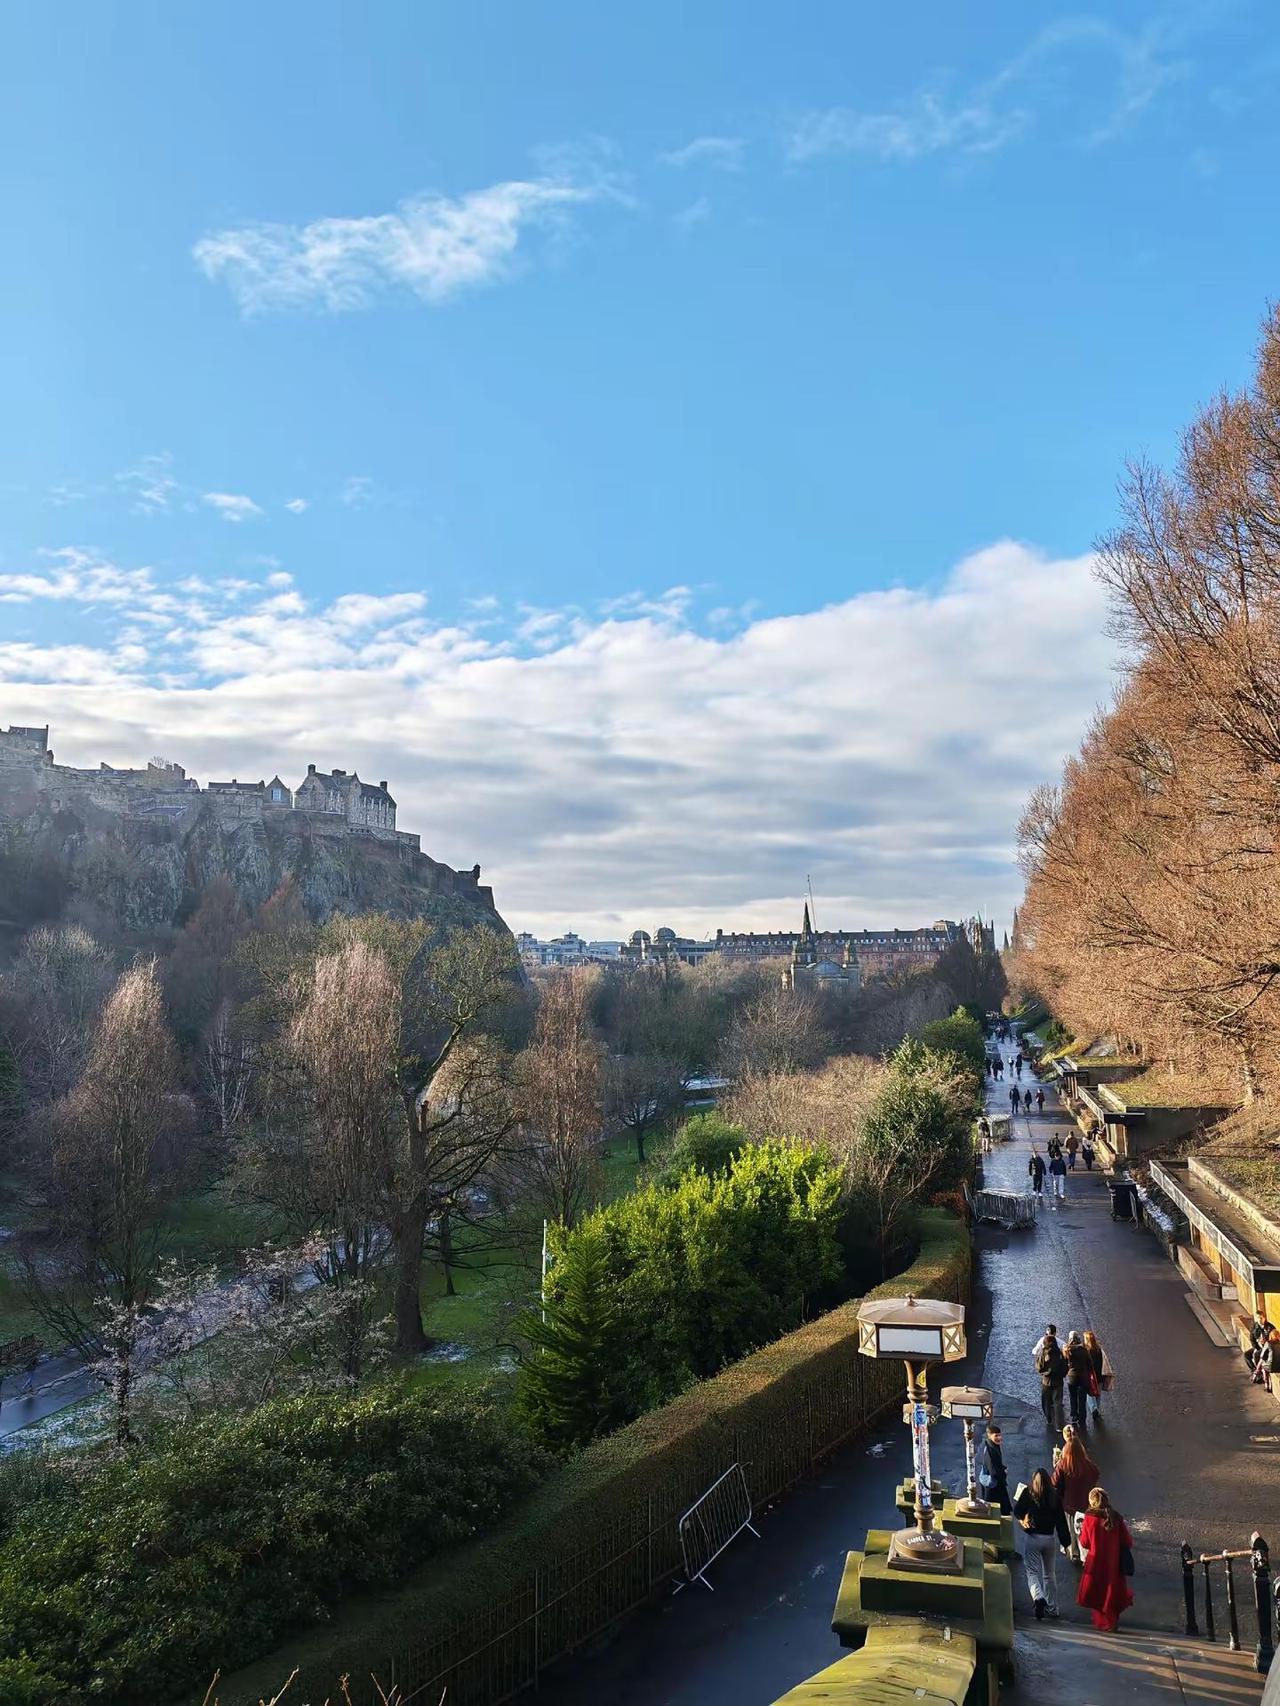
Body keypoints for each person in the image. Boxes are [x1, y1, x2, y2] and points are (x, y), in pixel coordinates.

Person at [1015, 1468, 1071, 1619]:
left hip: (1033, 1538)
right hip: (1049, 1539)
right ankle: (1052, 1608)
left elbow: (1017, 1510)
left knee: (1032, 1571)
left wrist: (1023, 1519)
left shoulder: (1028, 1493)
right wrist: (1066, 1543)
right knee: (1049, 1575)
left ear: (1034, 1481)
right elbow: (1061, 1523)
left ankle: (1038, 1597)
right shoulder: (1055, 1497)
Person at [1077, 1487, 1134, 1631]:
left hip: (1095, 1561)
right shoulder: (1116, 1517)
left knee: (1097, 1593)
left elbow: (1084, 1542)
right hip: (1114, 1562)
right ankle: (1112, 1621)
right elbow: (1127, 1541)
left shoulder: (1089, 1517)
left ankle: (1104, 1623)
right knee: (1112, 1592)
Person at [1052, 1425, 1100, 1561]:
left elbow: (1054, 1482)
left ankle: (1074, 1553)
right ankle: (1086, 1554)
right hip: (1086, 1504)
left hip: (1069, 1504)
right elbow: (1096, 1475)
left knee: (1071, 1530)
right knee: (1085, 1529)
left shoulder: (1063, 1465)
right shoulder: (1088, 1465)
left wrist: (1056, 1465)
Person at [1036, 1325, 1067, 1432]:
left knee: (1046, 1400)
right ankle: (1059, 1425)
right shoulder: (1059, 1353)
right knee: (1058, 1402)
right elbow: (1065, 1366)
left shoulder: (1043, 1352)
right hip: (1058, 1381)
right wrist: (1062, 1375)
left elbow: (1039, 1367)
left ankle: (1049, 1419)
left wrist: (1044, 1373)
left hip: (1046, 1381)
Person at [980, 1422, 1012, 1514]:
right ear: (989, 1436)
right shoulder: (991, 1451)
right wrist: (1004, 1472)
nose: (999, 1438)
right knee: (996, 1510)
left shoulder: (993, 1446)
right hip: (994, 1487)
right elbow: (993, 1472)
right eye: (996, 1436)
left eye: (1000, 1435)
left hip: (995, 1485)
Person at [1065, 1330, 1092, 1429]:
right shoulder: (1084, 1351)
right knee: (1082, 1398)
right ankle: (1082, 1418)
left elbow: (1065, 1363)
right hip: (1083, 1378)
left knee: (1073, 1397)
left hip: (1072, 1377)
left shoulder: (1068, 1351)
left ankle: (1074, 1416)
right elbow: (1090, 1364)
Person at [1082, 1329, 1108, 1419]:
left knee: (1090, 1394)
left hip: (1090, 1376)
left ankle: (1094, 1409)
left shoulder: (1086, 1351)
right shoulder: (1099, 1349)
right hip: (1100, 1376)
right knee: (1098, 1394)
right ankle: (1097, 1410)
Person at [1248, 1307, 1274, 1371]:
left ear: (1264, 1318)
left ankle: (1259, 1371)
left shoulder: (1270, 1327)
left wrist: (1266, 1342)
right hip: (1258, 1347)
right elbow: (1251, 1338)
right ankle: (1254, 1370)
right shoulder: (1254, 1326)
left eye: (1261, 1318)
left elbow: (1274, 1339)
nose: (1259, 1320)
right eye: (1258, 1318)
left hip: (1267, 1348)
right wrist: (1256, 1347)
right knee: (1246, 1355)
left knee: (1256, 1355)